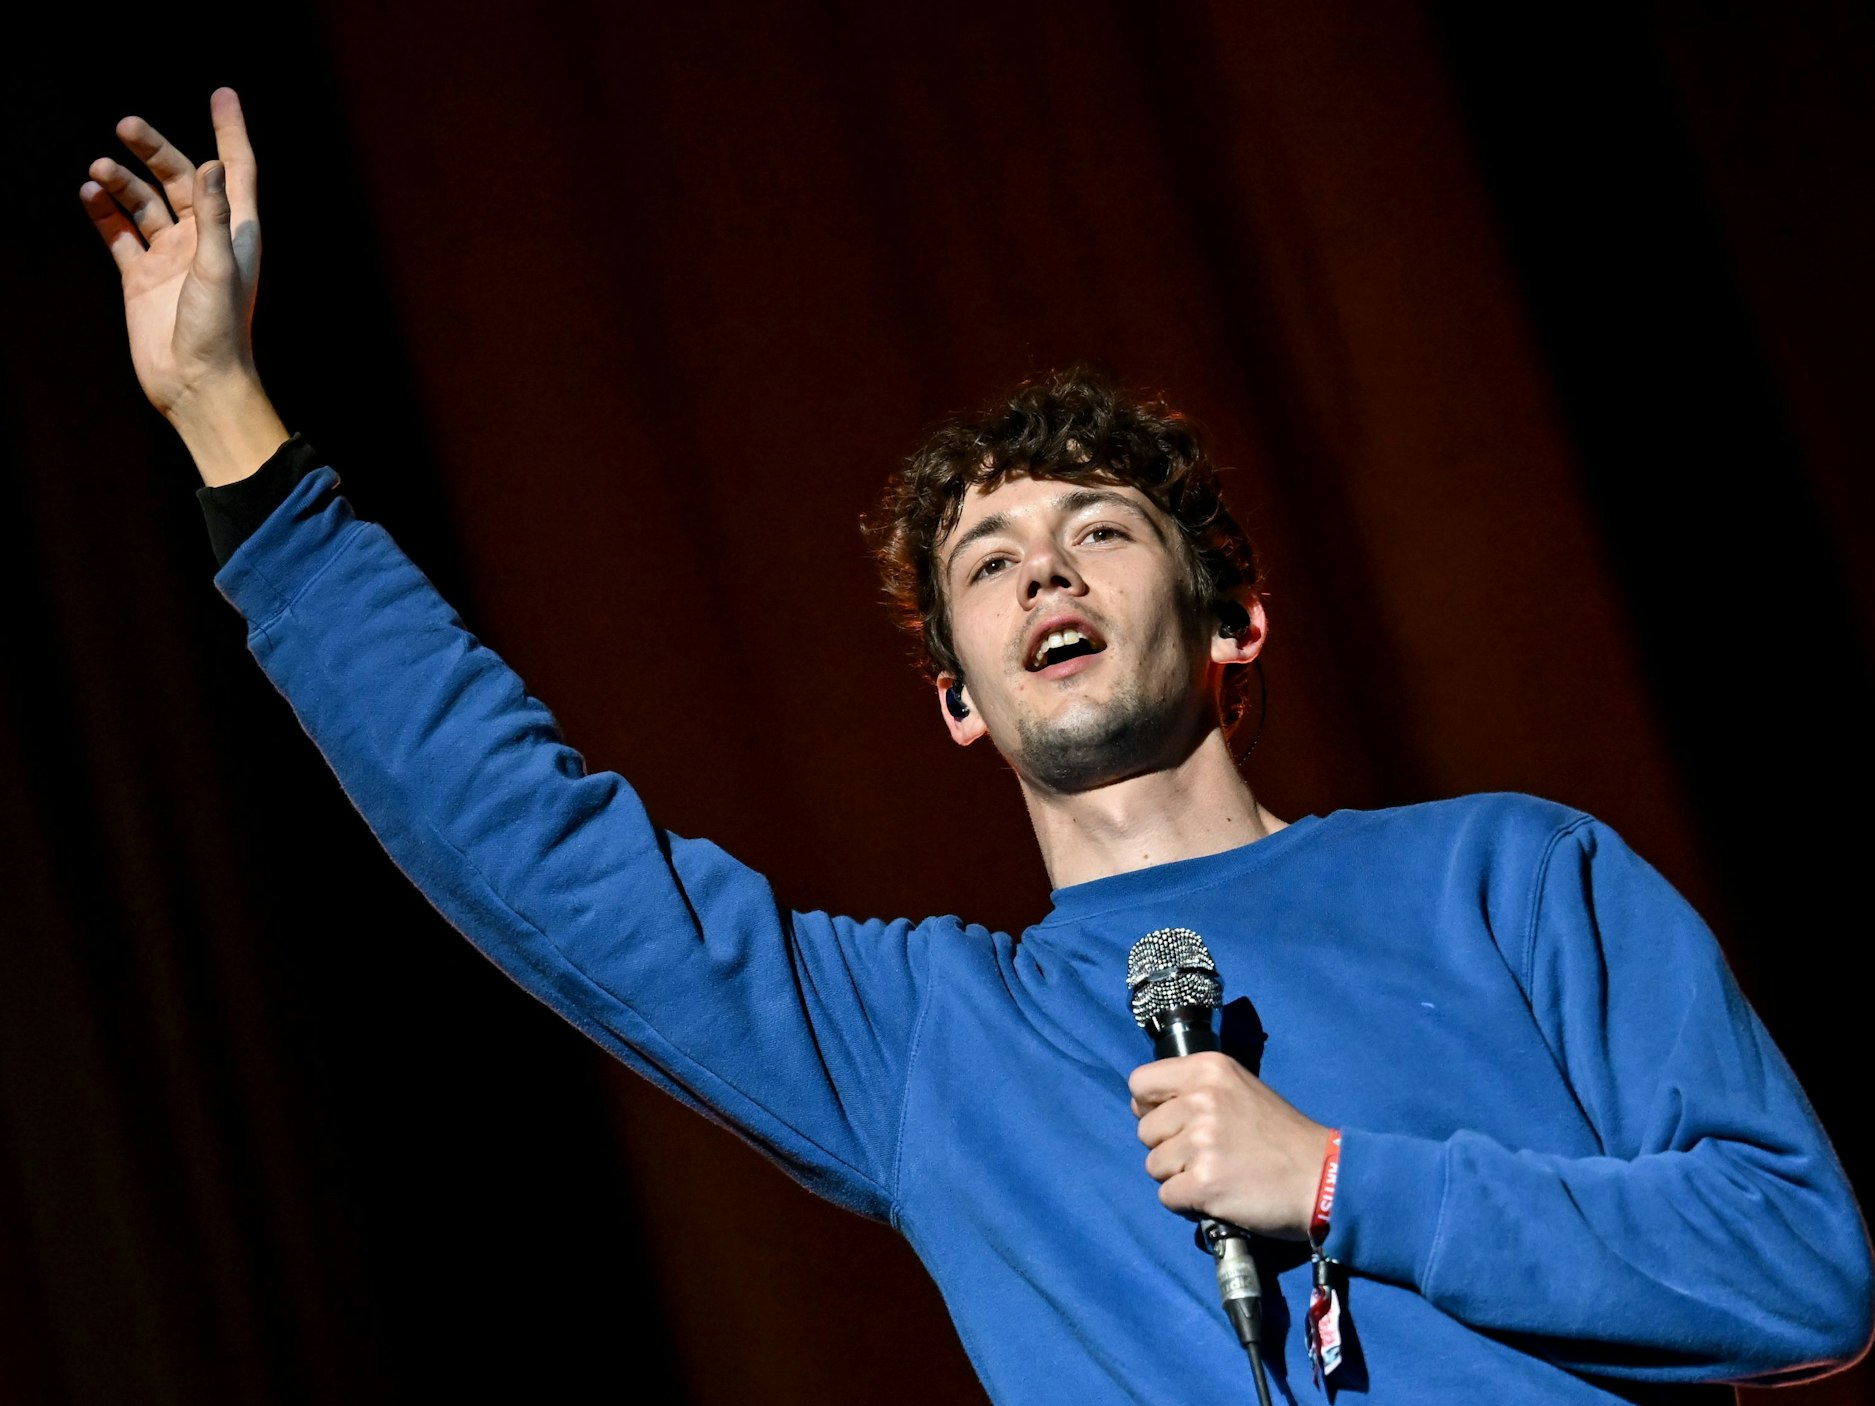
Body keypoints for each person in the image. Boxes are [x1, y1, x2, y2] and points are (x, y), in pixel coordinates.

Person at [81, 89, 1872, 1404]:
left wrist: (1336, 1179)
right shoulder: (926, 1045)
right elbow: (536, 846)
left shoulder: (1512, 875)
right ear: (959, 697)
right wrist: (237, 430)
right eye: (987, 568)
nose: (1043, 575)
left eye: (1097, 530)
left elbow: (1797, 1263)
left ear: (1235, 618)